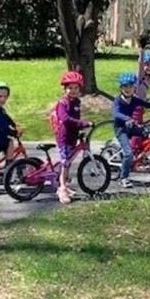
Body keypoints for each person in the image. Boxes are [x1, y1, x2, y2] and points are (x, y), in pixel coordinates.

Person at [113, 72, 150, 188]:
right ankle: (124, 178)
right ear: (120, 88)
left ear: (134, 88)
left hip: (131, 127)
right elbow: (116, 113)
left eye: (130, 86)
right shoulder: (118, 101)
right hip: (121, 129)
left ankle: (140, 158)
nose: (128, 89)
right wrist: (127, 118)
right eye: (125, 86)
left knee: (148, 134)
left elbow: (147, 104)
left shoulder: (134, 99)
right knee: (128, 154)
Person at [52, 71, 94, 203]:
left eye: (76, 88)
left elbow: (76, 118)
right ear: (65, 89)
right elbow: (65, 119)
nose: (73, 91)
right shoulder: (62, 103)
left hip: (72, 136)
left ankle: (64, 184)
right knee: (64, 164)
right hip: (63, 138)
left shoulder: (76, 102)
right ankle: (62, 189)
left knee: (69, 163)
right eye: (70, 88)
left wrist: (81, 127)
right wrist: (83, 123)